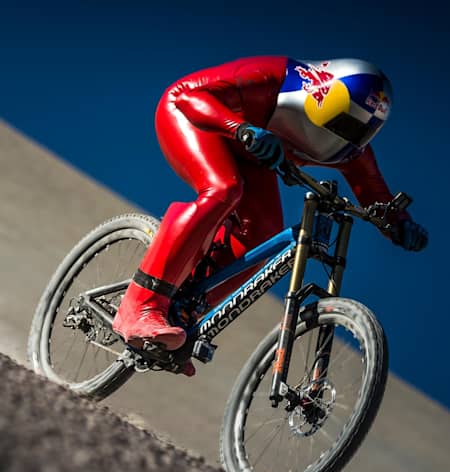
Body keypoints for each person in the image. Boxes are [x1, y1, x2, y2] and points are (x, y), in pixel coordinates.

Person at [112, 56, 428, 374]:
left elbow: (375, 194)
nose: (342, 133)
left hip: (252, 151)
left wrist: (401, 225)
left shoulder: (349, 148)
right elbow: (189, 99)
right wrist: (240, 128)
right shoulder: (273, 78)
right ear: (322, 93)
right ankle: (140, 304)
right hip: (197, 116)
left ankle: (182, 316)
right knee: (223, 189)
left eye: (356, 130)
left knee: (263, 234)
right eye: (342, 120)